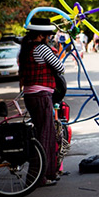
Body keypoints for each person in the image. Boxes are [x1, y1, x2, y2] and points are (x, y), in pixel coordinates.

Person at [19, 17, 65, 186]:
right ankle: (38, 177)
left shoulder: (26, 49)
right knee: (45, 136)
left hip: (30, 95)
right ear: (42, 35)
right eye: (48, 35)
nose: (49, 38)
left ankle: (42, 174)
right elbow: (60, 68)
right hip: (41, 96)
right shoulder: (42, 49)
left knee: (40, 134)